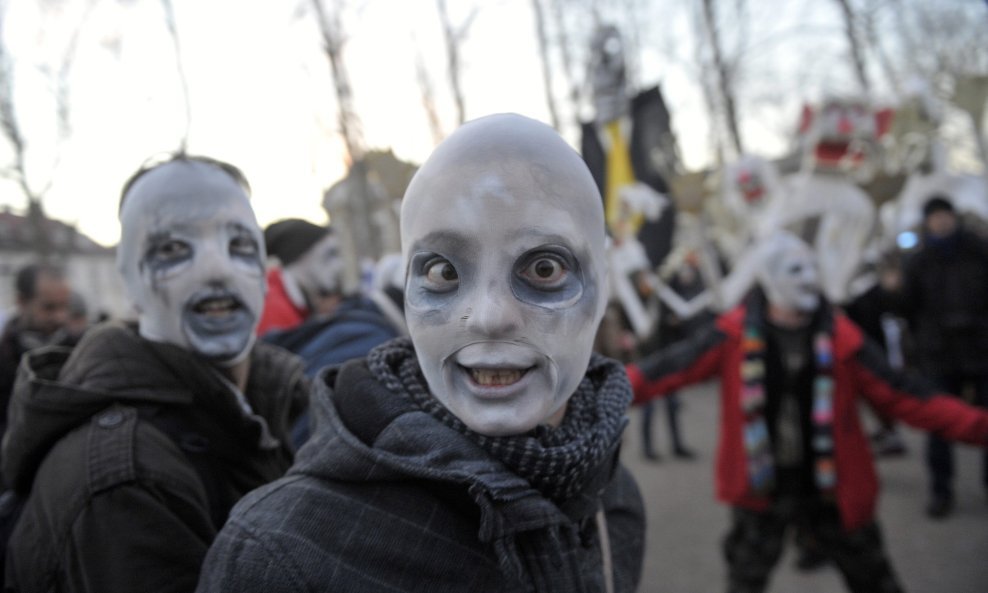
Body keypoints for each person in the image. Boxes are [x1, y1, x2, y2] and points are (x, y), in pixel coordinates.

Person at [197, 114, 645, 592]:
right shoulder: (281, 558)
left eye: (544, 267)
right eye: (444, 273)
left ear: (602, 282)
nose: (490, 317)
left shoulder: (613, 502)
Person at [1, 154, 308, 592]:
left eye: (238, 244)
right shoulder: (124, 482)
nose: (216, 270)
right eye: (172, 249)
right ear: (129, 280)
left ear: (263, 270)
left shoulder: (287, 398)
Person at [627, 231, 988, 593]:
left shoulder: (842, 337)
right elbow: (666, 370)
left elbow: (906, 395)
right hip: (763, 486)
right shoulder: (734, 334)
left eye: (812, 268)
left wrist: (978, 426)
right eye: (796, 269)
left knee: (875, 580)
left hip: (831, 486)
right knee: (745, 581)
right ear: (768, 277)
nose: (809, 278)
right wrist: (601, 392)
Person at [898, 195, 988, 519]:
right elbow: (906, 308)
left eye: (945, 215)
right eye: (934, 217)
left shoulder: (979, 250)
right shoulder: (918, 260)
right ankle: (941, 490)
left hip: (980, 348)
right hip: (938, 354)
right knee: (940, 423)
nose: (941, 221)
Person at [0, 263, 73, 440]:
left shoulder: (80, 348)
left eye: (64, 306)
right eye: (49, 307)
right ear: (22, 302)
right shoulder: (4, 356)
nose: (60, 316)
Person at [256, 218, 347, 336]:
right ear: (301, 258)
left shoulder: (294, 302)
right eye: (329, 255)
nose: (339, 266)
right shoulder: (274, 312)